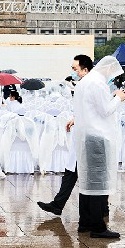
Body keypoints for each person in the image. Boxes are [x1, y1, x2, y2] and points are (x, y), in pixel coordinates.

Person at [70, 56, 125, 239]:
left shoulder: (84, 82)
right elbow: (105, 110)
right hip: (97, 137)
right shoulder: (98, 83)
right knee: (97, 183)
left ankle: (85, 222)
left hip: (86, 136)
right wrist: (118, 98)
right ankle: (97, 226)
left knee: (87, 181)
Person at [38, 54, 94, 217]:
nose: (73, 71)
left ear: (85, 68)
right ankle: (58, 204)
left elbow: (95, 110)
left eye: (75, 68)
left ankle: (101, 210)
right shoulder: (84, 84)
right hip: (81, 135)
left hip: (88, 137)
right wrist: (75, 118)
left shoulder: (91, 85)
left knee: (87, 175)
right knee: (72, 172)